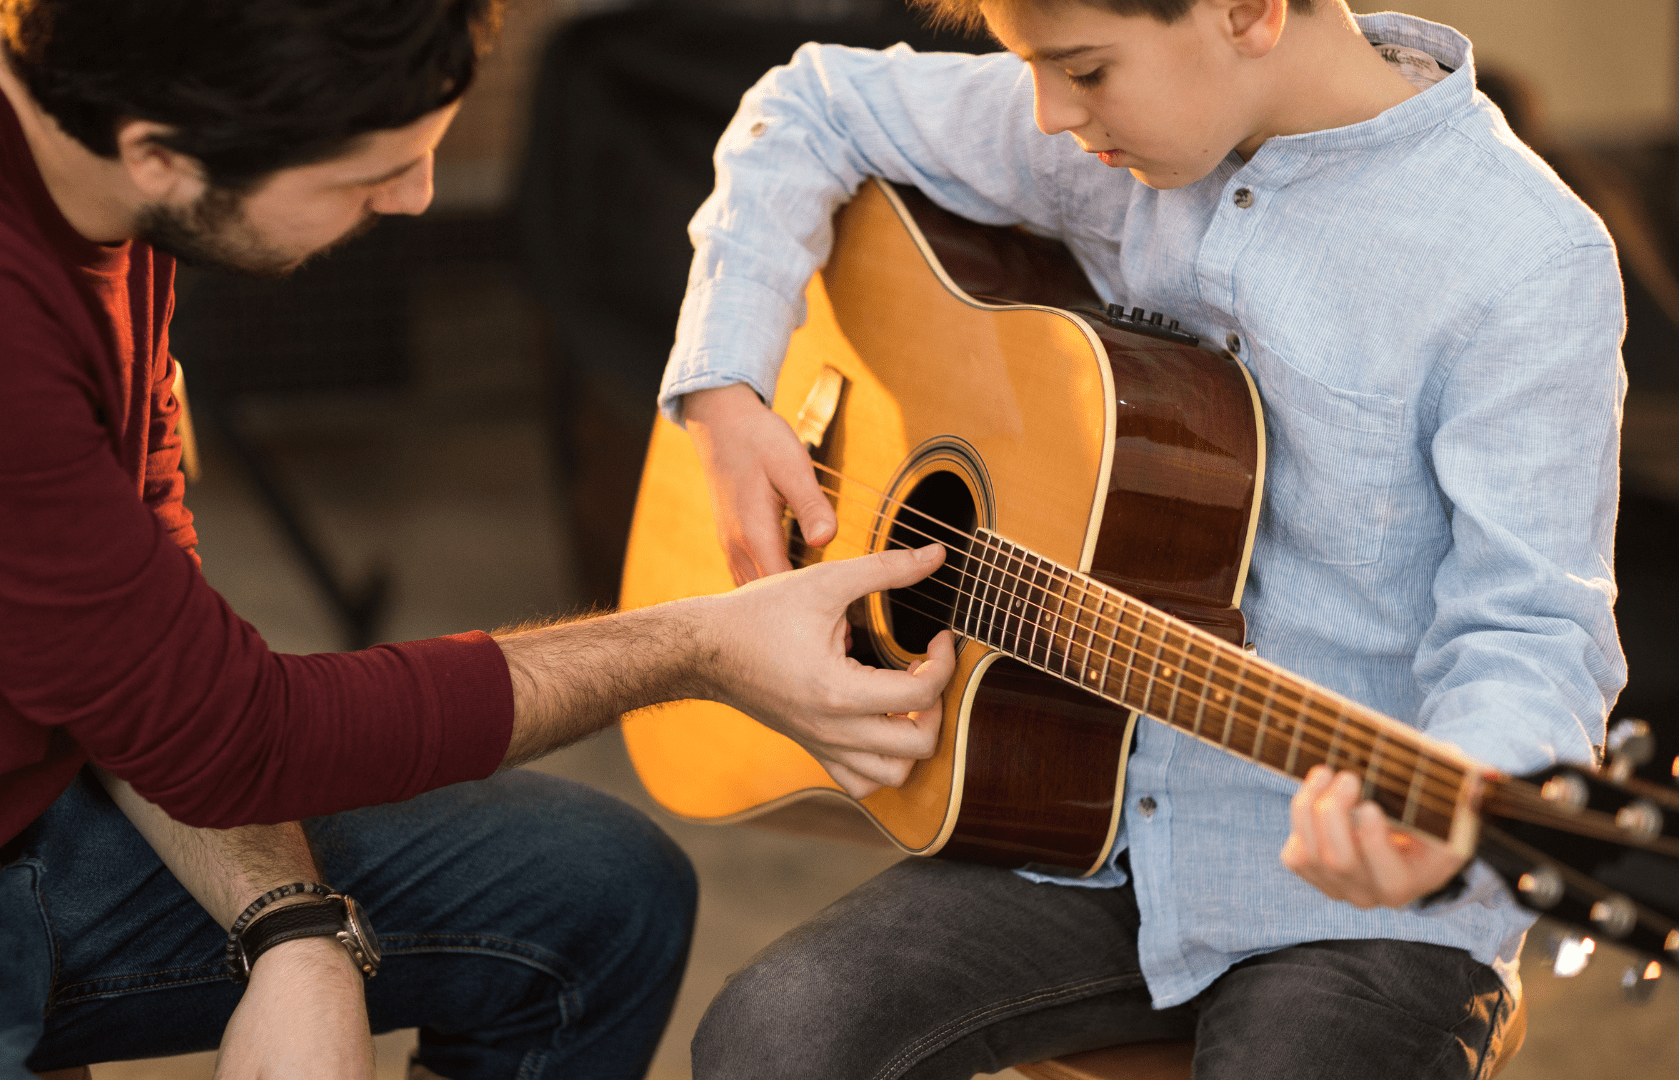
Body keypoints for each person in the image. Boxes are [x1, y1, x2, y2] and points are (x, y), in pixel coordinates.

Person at [0, 1, 963, 1077]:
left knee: (604, 896)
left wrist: (291, 928)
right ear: (161, 157)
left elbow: (152, 665)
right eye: (370, 171)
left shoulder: (103, 132)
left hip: (25, 800)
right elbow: (235, 733)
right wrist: (695, 648)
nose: (418, 199)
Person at [663, 0, 1626, 1076]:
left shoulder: (1524, 257)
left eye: (1082, 69)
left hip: (1361, 907)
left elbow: (1536, 627)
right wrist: (728, 386)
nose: (1049, 113)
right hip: (1089, 831)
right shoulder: (1114, 134)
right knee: (770, 1038)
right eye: (1030, 66)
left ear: (1245, 13)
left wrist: (1447, 820)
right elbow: (811, 101)